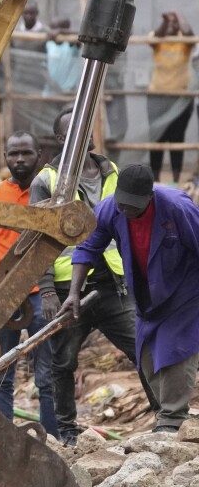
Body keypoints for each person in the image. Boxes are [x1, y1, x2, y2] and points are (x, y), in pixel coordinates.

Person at [61, 164, 199, 432]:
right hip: (146, 292)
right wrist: (73, 293)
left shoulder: (176, 207)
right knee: (146, 355)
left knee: (175, 350)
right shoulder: (109, 208)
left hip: (185, 290)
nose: (127, 211)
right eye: (123, 204)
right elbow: (88, 248)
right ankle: (164, 415)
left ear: (150, 196)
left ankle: (172, 420)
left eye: (134, 207)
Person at [31, 109, 137, 444]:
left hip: (113, 284)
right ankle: (68, 434)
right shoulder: (46, 181)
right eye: (74, 130)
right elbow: (37, 240)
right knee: (62, 364)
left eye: (87, 128)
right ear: (61, 139)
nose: (85, 134)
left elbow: (126, 226)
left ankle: (165, 421)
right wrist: (47, 291)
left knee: (144, 349)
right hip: (66, 289)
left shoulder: (112, 170)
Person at [0, 131, 58, 436]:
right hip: (4, 294)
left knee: (48, 375)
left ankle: (54, 440)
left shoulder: (50, 192)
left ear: (40, 156)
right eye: (14, 154)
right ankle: (3, 437)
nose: (20, 159)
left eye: (26, 153)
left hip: (42, 294)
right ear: (5, 158)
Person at [149, 11, 196, 183]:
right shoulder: (158, 40)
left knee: (177, 137)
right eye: (169, 24)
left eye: (174, 24)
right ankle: (156, 180)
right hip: (157, 97)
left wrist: (178, 16)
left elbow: (190, 34)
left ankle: (175, 180)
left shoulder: (184, 43)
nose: (171, 26)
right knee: (157, 138)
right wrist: (165, 20)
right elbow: (157, 35)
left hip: (180, 98)